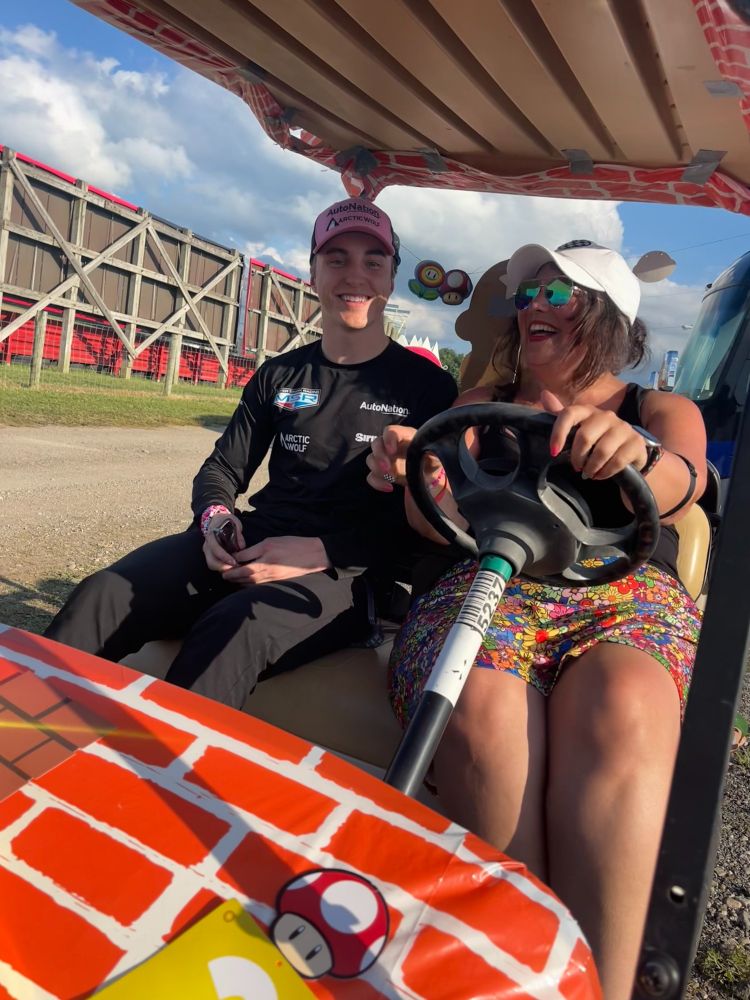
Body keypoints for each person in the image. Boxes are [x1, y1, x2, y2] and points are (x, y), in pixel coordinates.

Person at [367, 240, 707, 1000]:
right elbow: (433, 522)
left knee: (624, 702)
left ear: (610, 315)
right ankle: (521, 968)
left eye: (558, 294)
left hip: (620, 594)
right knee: (480, 703)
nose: (534, 309)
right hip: (490, 582)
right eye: (527, 296)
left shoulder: (655, 409)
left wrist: (638, 458)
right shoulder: (476, 410)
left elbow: (684, 482)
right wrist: (413, 475)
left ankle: (605, 984)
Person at [44, 197, 457, 708]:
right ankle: (21, 748)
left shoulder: (432, 392)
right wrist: (215, 519)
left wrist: (325, 552)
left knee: (235, 626)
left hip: (350, 574)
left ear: (391, 278)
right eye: (337, 259)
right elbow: (223, 467)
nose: (356, 275)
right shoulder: (279, 375)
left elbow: (434, 530)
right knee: (102, 593)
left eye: (373, 261)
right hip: (251, 542)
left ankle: (157, 781)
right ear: (312, 273)